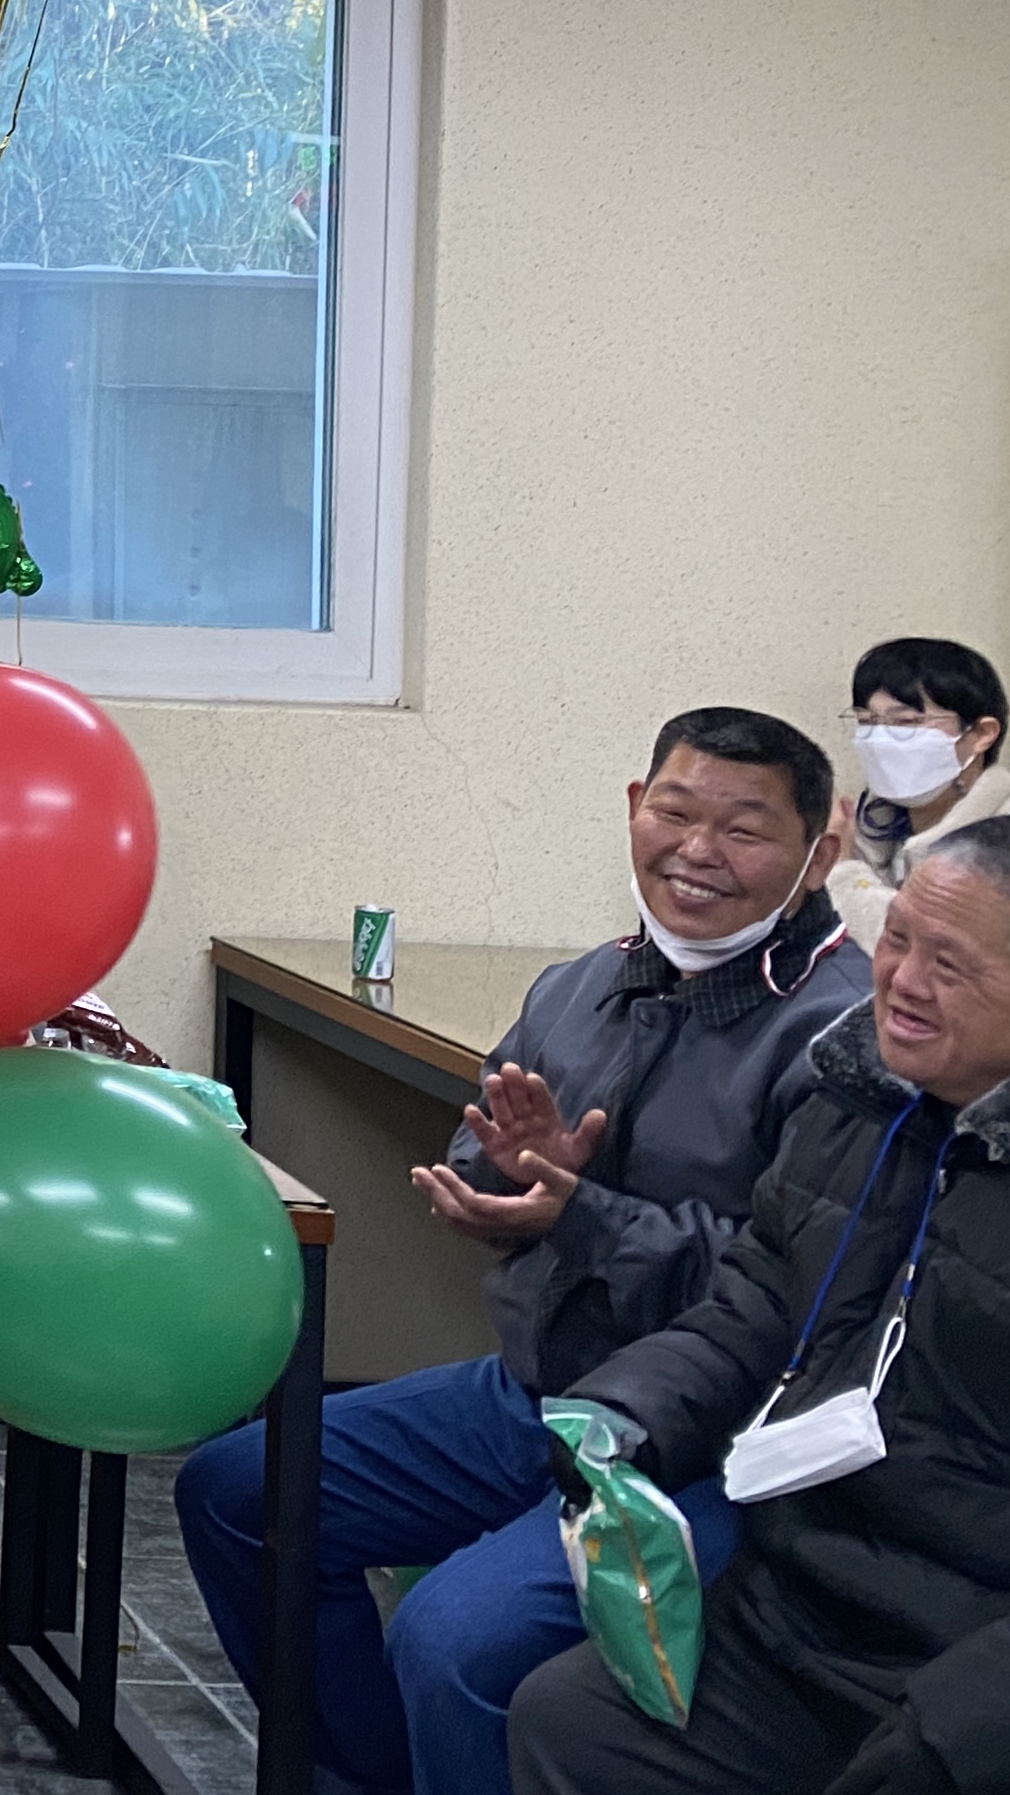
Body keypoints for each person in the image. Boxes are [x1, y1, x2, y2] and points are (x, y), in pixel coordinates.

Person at [175, 705, 869, 1795]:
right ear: (634, 809)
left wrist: (580, 1215)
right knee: (236, 1490)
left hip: (712, 1446)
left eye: (744, 830)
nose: (697, 852)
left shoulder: (843, 1037)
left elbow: (797, 1289)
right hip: (537, 1394)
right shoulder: (583, 983)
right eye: (676, 813)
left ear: (819, 853)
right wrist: (502, 1182)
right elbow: (486, 1142)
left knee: (454, 1642)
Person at [505, 820, 1010, 1795]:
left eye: (950, 966)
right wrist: (624, 1415)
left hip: (959, 1663)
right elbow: (756, 1303)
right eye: (898, 940)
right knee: (570, 1722)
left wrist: (961, 1731)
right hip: (801, 1606)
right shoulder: (859, 1100)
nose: (903, 982)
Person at [831, 637, 1005, 953]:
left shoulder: (1000, 839)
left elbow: (920, 950)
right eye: (866, 721)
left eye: (906, 722)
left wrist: (843, 869)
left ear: (982, 734)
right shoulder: (865, 821)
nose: (879, 739)